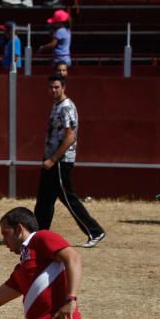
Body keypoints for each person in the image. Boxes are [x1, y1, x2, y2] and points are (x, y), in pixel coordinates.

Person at [34, 74, 106, 247]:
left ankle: (94, 231)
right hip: (53, 159)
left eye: (56, 87)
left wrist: (53, 159)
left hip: (60, 161)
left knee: (68, 197)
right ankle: (37, 235)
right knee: (44, 199)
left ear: (64, 87)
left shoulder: (66, 107)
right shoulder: (57, 106)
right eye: (51, 87)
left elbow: (70, 137)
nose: (53, 90)